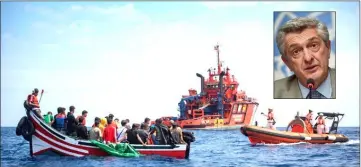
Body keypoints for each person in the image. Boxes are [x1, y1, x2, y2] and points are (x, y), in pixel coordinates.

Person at [274, 17, 336, 99]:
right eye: (296, 51)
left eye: (314, 45)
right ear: (287, 63)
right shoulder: (274, 91)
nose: (308, 58)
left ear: (328, 48)